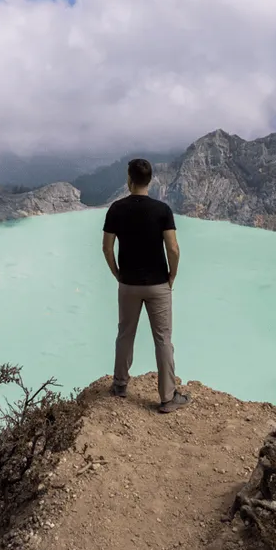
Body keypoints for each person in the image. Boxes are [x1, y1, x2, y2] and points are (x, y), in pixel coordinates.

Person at [101, 158, 190, 412]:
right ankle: (167, 397)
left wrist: (117, 273)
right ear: (150, 181)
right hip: (158, 285)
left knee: (125, 334)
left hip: (128, 283)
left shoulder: (116, 209)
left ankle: (119, 386)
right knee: (163, 339)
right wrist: (172, 275)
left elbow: (107, 248)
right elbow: (172, 248)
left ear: (129, 181)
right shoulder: (162, 210)